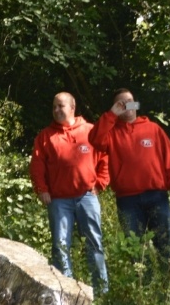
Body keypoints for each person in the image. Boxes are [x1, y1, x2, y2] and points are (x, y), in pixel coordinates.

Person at [88, 88, 170, 268]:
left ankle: (168, 286)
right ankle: (143, 287)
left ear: (136, 103)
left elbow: (169, 158)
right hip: (128, 201)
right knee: (135, 249)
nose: (127, 106)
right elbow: (95, 140)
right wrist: (111, 115)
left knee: (166, 244)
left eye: (130, 101)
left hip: (157, 196)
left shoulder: (153, 129)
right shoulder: (111, 133)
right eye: (121, 103)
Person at [30, 92, 110, 292]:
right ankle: (66, 293)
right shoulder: (45, 137)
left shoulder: (91, 131)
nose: (57, 110)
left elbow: (105, 159)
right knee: (60, 246)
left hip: (86, 197)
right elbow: (37, 166)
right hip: (59, 201)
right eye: (54, 106)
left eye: (61, 106)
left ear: (72, 108)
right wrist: (42, 189)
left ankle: (100, 291)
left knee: (94, 243)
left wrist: (100, 183)